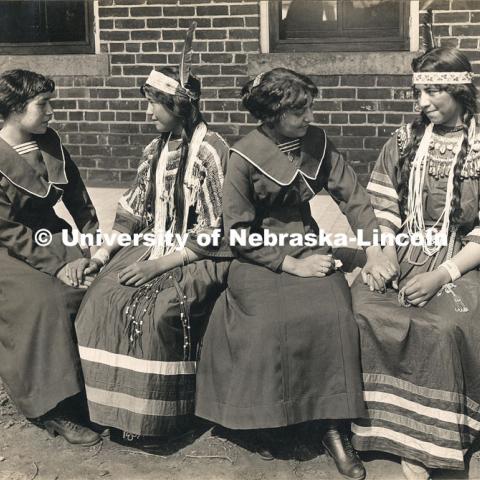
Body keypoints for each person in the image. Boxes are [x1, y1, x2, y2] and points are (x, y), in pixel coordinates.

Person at [195, 68, 396, 480]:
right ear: (271, 114)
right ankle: (266, 421)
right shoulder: (243, 155)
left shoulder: (316, 142)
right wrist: (291, 265)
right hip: (259, 255)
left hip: (307, 241)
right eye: (298, 110)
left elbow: (354, 198)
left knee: (334, 313)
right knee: (269, 321)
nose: (308, 116)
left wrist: (375, 251)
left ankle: (333, 427)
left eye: (309, 107)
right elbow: (236, 232)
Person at [74, 65, 231, 438]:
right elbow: (132, 210)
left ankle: (157, 419)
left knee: (156, 310)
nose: (148, 113)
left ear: (182, 107)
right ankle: (113, 411)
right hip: (154, 242)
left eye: (157, 105)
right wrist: (100, 256)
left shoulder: (212, 152)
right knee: (101, 298)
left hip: (196, 254)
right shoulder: (155, 150)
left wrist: (159, 264)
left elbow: (216, 230)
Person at [350, 47, 480, 479]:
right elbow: (383, 204)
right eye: (417, 91)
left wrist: (443, 274)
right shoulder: (405, 140)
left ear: (460, 90)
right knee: (359, 309)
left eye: (432, 92)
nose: (421, 102)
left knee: (440, 327)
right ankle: (378, 428)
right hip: (404, 250)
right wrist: (382, 251)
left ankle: (428, 442)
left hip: (462, 260)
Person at [0, 69, 101, 445]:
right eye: (43, 104)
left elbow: (78, 199)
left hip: (51, 236)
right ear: (13, 108)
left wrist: (94, 247)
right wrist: (59, 266)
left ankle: (92, 390)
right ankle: (52, 408)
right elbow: (8, 231)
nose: (51, 112)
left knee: (97, 286)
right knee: (47, 302)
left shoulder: (50, 142)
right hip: (11, 249)